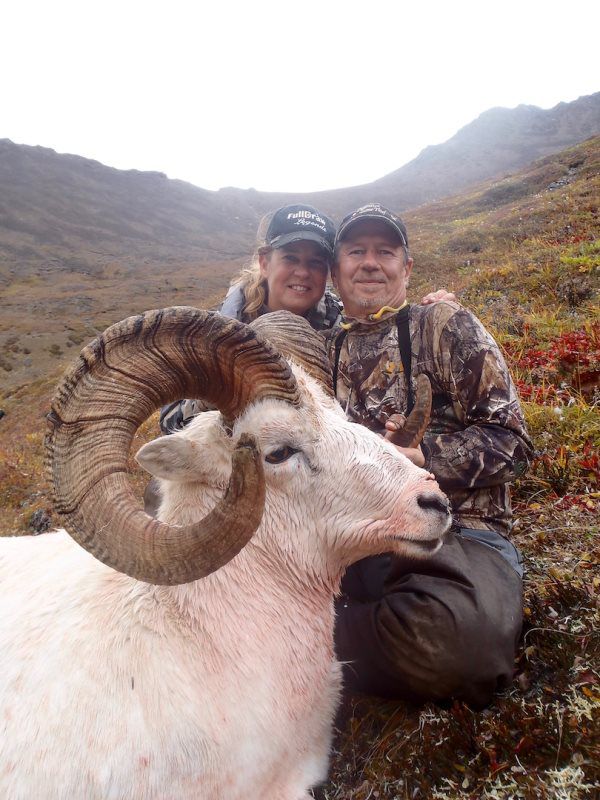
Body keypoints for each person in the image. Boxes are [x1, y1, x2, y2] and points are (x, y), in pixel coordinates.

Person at [328, 203, 533, 709]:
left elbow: (514, 443)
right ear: (336, 272)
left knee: (464, 649)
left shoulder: (443, 325)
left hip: (456, 535)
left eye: (385, 251)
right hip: (352, 541)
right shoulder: (319, 351)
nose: (370, 262)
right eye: (356, 251)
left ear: (407, 267)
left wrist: (424, 457)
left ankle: (309, 639)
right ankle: (341, 630)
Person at [160, 203, 453, 434]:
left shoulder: (340, 328)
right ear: (264, 262)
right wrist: (223, 377)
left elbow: (386, 325)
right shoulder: (212, 334)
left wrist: (430, 313)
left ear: (329, 272)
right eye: (290, 258)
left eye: (315, 262)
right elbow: (171, 425)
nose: (303, 272)